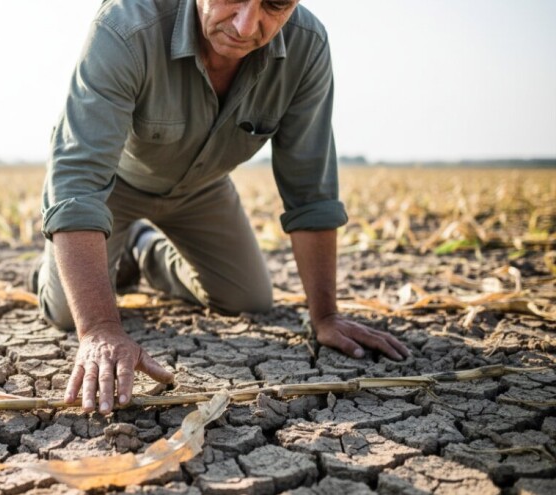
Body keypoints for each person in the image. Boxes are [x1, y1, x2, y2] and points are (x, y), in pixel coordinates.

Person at [32, 0, 411, 415]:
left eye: (275, 4)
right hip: (114, 185)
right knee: (68, 313)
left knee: (248, 298)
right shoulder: (127, 25)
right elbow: (78, 182)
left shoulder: (307, 45)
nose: (247, 26)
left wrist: (326, 316)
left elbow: (310, 187)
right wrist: (101, 328)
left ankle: (142, 251)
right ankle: (64, 265)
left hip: (201, 188)